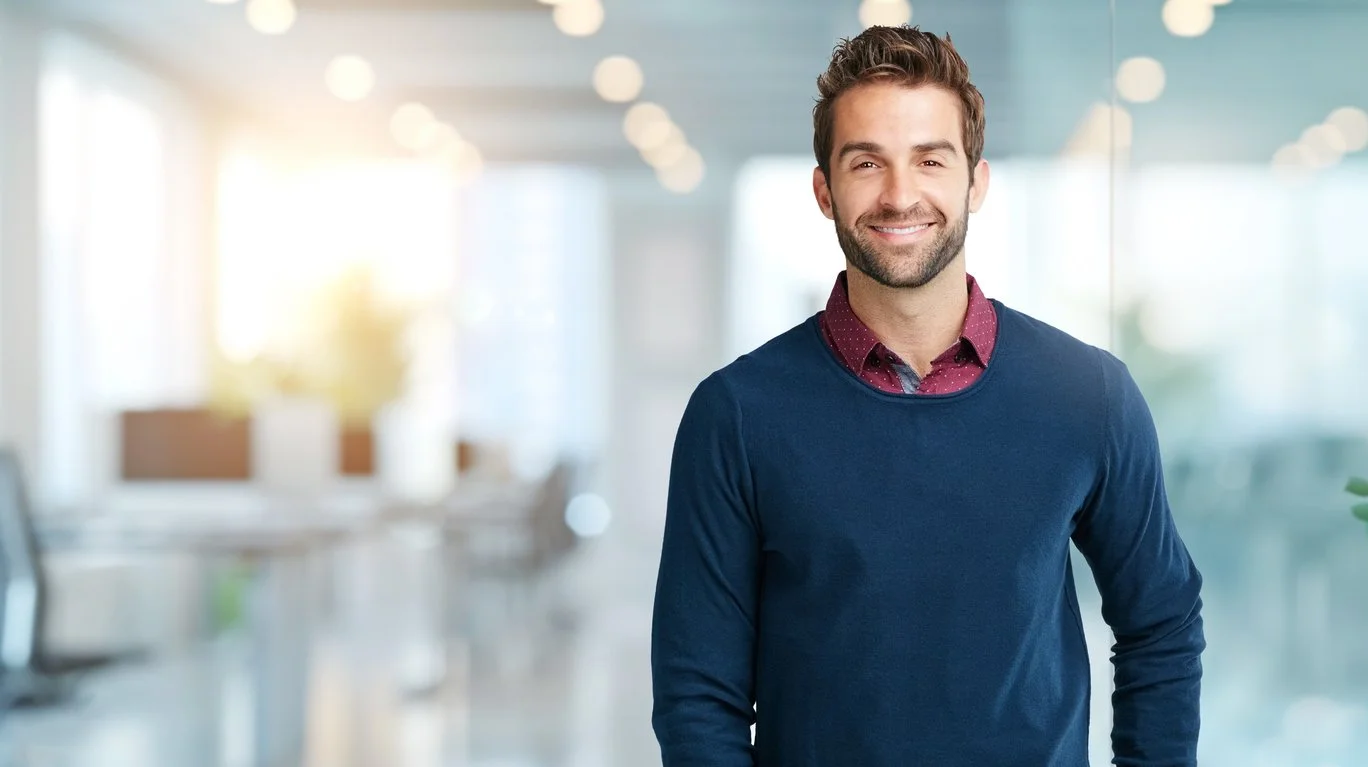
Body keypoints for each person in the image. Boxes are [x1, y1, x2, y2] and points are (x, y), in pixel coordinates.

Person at [650, 24, 1205, 767]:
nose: (900, 194)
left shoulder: (1089, 395)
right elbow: (697, 695)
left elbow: (1161, 622)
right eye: (867, 161)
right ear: (824, 188)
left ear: (975, 180)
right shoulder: (738, 415)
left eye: (930, 159)